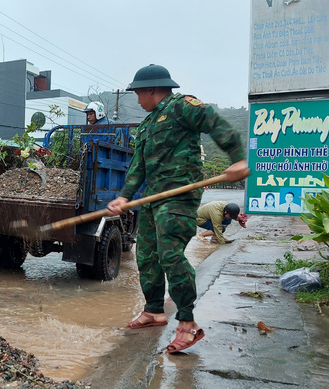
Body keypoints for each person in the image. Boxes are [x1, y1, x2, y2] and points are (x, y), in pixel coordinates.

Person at [106, 64, 248, 354]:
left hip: (180, 197)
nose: (136, 99)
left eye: (137, 93)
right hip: (152, 199)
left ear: (151, 89)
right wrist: (124, 196)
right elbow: (138, 166)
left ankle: (186, 321)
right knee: (146, 256)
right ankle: (154, 310)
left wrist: (237, 157)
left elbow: (214, 122)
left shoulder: (182, 107)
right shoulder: (146, 125)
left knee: (170, 254)